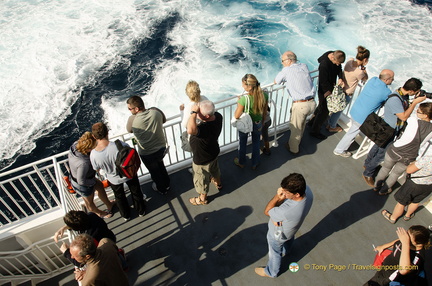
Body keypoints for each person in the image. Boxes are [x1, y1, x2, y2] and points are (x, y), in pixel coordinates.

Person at [362, 78, 426, 187]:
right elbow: (404, 116)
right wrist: (415, 103)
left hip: (388, 129)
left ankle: (367, 164)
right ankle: (368, 173)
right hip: (388, 131)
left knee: (377, 147)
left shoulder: (402, 95)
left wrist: (412, 100)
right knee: (381, 154)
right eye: (415, 92)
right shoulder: (395, 99)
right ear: (411, 91)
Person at [255, 173, 313, 278]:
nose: (282, 192)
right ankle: (287, 251)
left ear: (297, 194)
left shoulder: (287, 211)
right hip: (291, 229)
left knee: (275, 253)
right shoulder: (308, 192)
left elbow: (267, 211)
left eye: (286, 192)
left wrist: (278, 197)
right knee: (289, 239)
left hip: (277, 235)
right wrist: (276, 216)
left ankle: (271, 272)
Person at [90, 122, 146, 221]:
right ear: (107, 132)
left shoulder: (93, 154)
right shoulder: (119, 144)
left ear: (94, 137)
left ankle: (126, 215)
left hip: (113, 179)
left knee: (119, 197)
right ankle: (141, 211)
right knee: (136, 191)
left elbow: (97, 168)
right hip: (129, 173)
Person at [333, 69, 394, 158]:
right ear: (387, 80)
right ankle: (339, 150)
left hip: (355, 110)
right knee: (352, 133)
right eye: (392, 78)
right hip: (362, 117)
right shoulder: (387, 92)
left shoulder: (373, 80)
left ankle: (340, 148)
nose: (393, 80)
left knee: (352, 131)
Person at [374, 102, 432, 195]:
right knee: (395, 174)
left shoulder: (413, 120)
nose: (417, 112)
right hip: (409, 157)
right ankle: (384, 190)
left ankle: (376, 186)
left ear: (425, 115)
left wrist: (414, 103)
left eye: (419, 111)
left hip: (395, 150)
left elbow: (405, 116)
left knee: (385, 168)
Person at [126, 95, 170, 195]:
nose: (129, 110)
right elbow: (164, 120)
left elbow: (129, 130)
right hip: (161, 148)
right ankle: (167, 183)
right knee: (161, 165)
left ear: (136, 108)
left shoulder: (132, 119)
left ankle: (162, 189)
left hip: (147, 153)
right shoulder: (155, 111)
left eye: (130, 108)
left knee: (154, 172)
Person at [274, 51, 316, 154]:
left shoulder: (287, 70)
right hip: (312, 103)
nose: (282, 63)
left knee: (295, 128)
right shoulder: (304, 66)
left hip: (301, 105)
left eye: (283, 61)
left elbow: (276, 81)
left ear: (288, 61)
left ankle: (293, 149)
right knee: (302, 124)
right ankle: (298, 141)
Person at [68, 132, 115, 218]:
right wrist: (92, 182)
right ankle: (100, 213)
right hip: (82, 184)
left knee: (100, 186)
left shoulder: (75, 145)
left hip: (87, 177)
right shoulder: (83, 163)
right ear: (88, 148)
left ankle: (109, 204)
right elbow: (81, 181)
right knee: (89, 202)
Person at [364, 226, 429, 286]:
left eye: (407, 238)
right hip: (384, 270)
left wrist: (405, 243)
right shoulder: (408, 242)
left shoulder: (418, 256)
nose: (404, 238)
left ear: (418, 244)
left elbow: (404, 270)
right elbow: (398, 242)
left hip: (389, 279)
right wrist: (383, 246)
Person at [187, 100, 223, 205]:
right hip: (213, 153)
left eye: (199, 112)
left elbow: (190, 130)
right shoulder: (218, 116)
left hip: (202, 160)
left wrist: (193, 113)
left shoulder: (204, 129)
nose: (197, 113)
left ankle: (202, 198)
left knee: (201, 180)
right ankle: (219, 184)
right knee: (215, 170)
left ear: (207, 116)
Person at [327, 46, 370, 133]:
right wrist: (364, 69)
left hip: (339, 89)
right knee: (338, 111)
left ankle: (328, 122)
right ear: (365, 59)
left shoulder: (349, 61)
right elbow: (365, 78)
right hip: (347, 93)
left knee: (335, 108)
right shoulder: (360, 72)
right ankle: (331, 126)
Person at [381, 154, 432, 223]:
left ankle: (393, 218)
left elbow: (409, 170)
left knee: (402, 202)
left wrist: (413, 162)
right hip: (429, 186)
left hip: (414, 184)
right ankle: (407, 215)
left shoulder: (428, 158)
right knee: (416, 201)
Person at [233, 74, 268, 169]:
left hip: (246, 124)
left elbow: (236, 115)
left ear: (249, 87)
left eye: (243, 85)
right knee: (256, 143)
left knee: (242, 143)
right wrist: (263, 121)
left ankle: (242, 162)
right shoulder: (264, 95)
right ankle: (255, 163)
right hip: (258, 123)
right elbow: (265, 111)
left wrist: (238, 103)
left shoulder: (244, 99)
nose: (242, 86)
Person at [309, 50, 345, 140]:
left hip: (330, 88)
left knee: (321, 107)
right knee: (324, 112)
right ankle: (315, 131)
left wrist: (340, 77)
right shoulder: (324, 65)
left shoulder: (335, 55)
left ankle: (311, 122)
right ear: (333, 57)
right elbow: (323, 81)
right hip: (325, 91)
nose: (337, 64)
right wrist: (329, 93)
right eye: (337, 62)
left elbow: (339, 68)